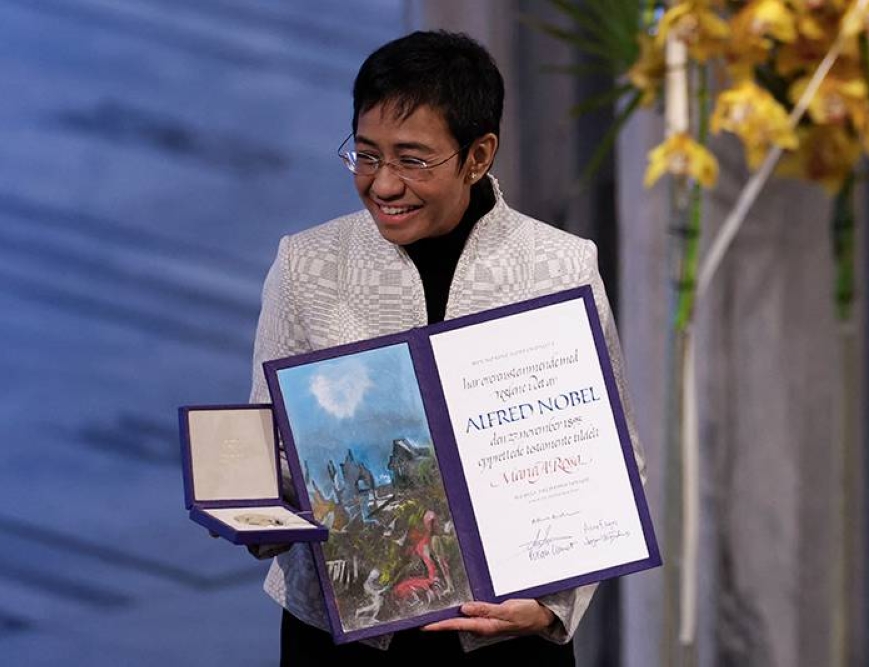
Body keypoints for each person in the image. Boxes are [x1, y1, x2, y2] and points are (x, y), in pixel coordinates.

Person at [248, 30, 645, 666]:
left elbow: (611, 462)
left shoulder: (557, 266)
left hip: (503, 638)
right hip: (339, 636)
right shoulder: (308, 265)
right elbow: (271, 440)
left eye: (412, 160)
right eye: (367, 155)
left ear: (478, 155)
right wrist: (259, 509)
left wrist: (552, 607)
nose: (383, 185)